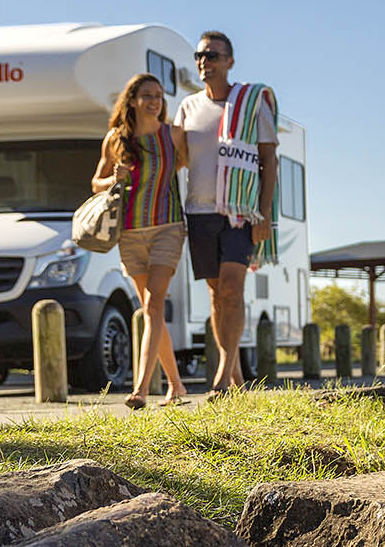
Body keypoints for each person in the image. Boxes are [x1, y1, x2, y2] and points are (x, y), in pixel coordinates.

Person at [175, 31, 277, 392]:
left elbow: (269, 159)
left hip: (239, 213)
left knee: (233, 289)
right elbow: (176, 159)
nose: (205, 61)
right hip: (199, 211)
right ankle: (233, 375)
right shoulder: (187, 107)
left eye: (213, 55)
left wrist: (264, 214)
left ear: (230, 61)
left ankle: (222, 375)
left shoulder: (250, 103)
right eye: (200, 55)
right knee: (217, 294)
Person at [91, 72, 191, 408]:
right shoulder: (115, 139)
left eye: (159, 96)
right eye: (147, 95)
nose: (154, 101)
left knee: (153, 305)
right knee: (152, 311)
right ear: (132, 99)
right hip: (130, 232)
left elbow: (194, 165)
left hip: (168, 227)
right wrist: (112, 179)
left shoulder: (173, 135)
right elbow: (95, 183)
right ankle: (177, 386)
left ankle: (141, 389)